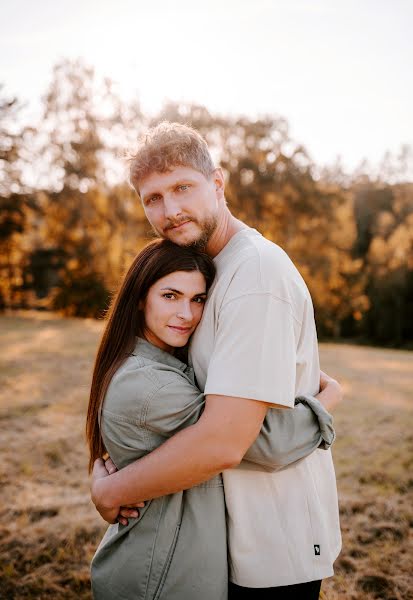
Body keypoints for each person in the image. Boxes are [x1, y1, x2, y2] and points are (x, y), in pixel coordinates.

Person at [91, 122, 342, 599]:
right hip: (223, 538)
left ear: (219, 183)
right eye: (153, 198)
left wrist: (111, 491)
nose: (170, 210)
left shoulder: (255, 275)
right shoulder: (202, 272)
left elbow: (225, 441)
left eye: (182, 187)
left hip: (271, 545)